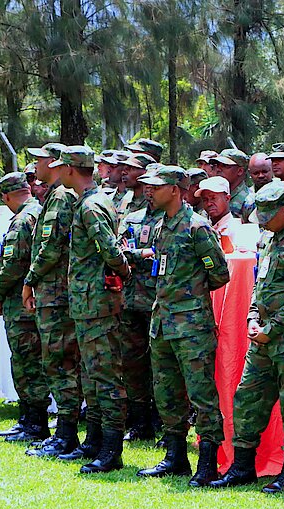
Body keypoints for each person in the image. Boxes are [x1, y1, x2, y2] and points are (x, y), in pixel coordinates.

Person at [210, 179, 284, 493]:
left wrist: (270, 330)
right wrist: (252, 317)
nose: (262, 222)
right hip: (264, 337)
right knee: (248, 397)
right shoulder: (269, 239)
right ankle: (242, 467)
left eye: (268, 215)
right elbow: (260, 286)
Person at [134, 166, 230, 486]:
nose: (149, 191)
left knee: (202, 395)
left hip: (191, 327)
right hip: (162, 324)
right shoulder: (162, 226)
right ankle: (175, 457)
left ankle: (208, 464)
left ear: (175, 189)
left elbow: (220, 274)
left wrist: (191, 295)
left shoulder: (197, 227)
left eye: (156, 186)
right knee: (166, 393)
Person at [58, 145, 133, 474]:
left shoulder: (91, 206)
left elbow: (110, 250)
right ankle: (94, 441)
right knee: (91, 376)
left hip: (97, 305)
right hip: (87, 304)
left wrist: (124, 272)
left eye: (62, 167)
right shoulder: (88, 202)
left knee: (105, 376)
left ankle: (111, 449)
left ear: (71, 170)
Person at [21, 143, 86, 459]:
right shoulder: (57, 196)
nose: (35, 166)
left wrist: (30, 280)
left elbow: (51, 248)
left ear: (54, 163)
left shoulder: (61, 197)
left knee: (60, 362)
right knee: (58, 362)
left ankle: (66, 435)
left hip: (56, 295)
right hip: (54, 293)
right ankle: (64, 431)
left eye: (39, 160)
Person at [0, 173, 50, 443]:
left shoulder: (23, 220)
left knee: (27, 363)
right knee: (28, 361)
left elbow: (13, 264)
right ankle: (28, 419)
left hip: (20, 303)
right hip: (30, 301)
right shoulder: (38, 212)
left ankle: (34, 423)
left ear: (6, 196)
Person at [117, 155, 167, 442]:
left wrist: (138, 254)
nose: (149, 190)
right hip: (131, 298)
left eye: (154, 186)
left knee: (161, 363)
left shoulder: (170, 220)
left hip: (157, 300)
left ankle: (164, 419)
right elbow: (119, 251)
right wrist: (141, 254)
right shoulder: (132, 217)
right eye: (146, 185)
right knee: (132, 363)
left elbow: (164, 253)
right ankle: (140, 421)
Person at [211, 149, 254, 222]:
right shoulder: (212, 196)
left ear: (240, 171)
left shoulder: (249, 200)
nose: (218, 169)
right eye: (217, 165)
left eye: (225, 166)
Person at [198, 176, 237, 249]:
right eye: (205, 200)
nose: (209, 203)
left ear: (227, 198)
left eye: (213, 198)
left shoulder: (236, 229)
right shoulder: (202, 227)